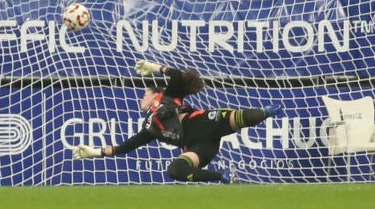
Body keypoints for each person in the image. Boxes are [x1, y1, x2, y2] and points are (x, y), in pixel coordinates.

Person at [70, 61, 271, 181]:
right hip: (198, 145)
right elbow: (127, 146)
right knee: (176, 171)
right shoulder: (150, 127)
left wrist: (155, 67)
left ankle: (269, 111)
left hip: (200, 123)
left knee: (241, 117)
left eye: (144, 94)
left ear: (153, 94)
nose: (141, 99)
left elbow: (179, 76)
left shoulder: (169, 96)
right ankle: (223, 176)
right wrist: (95, 152)